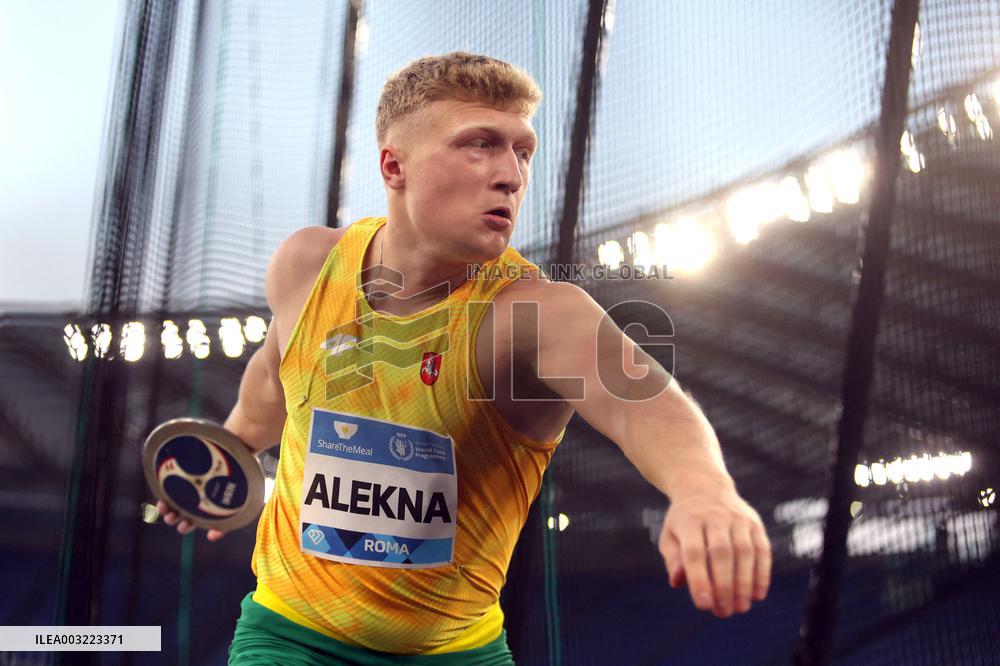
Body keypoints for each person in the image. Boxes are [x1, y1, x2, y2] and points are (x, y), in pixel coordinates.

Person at [158, 51, 771, 665]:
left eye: (521, 151)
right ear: (394, 166)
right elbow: (275, 376)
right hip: (289, 637)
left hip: (454, 653)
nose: (510, 174)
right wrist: (231, 446)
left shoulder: (533, 314)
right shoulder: (309, 266)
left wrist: (704, 490)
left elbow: (645, 402)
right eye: (479, 144)